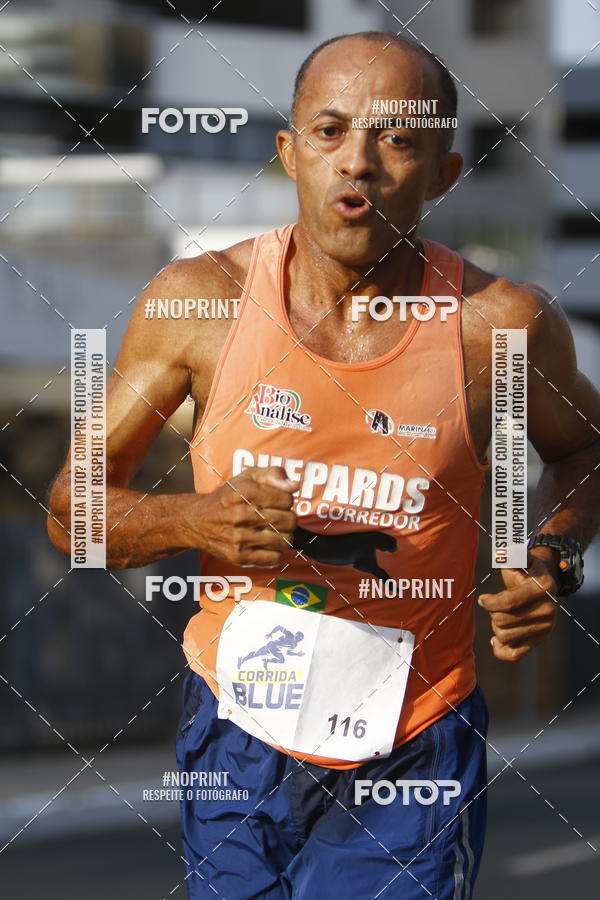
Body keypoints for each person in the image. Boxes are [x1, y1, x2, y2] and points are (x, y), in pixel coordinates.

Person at [48, 30, 600, 899]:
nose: (360, 165)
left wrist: (556, 554)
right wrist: (195, 521)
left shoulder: (498, 326)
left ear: (446, 174)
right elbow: (68, 508)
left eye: (399, 141)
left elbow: (584, 449)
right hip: (235, 728)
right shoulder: (201, 305)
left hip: (413, 740)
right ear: (288, 153)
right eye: (330, 131)